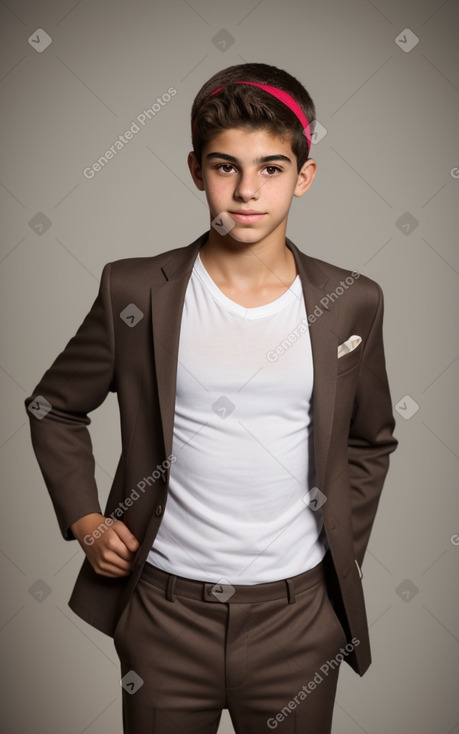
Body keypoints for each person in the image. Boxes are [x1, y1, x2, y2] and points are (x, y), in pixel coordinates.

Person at [25, 62, 398, 733]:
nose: (247, 191)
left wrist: (335, 550)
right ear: (196, 169)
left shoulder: (352, 303)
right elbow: (54, 406)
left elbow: (370, 440)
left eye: (272, 168)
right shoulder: (134, 292)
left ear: (303, 176)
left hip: (298, 621)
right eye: (226, 167)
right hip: (164, 615)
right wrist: (86, 520)